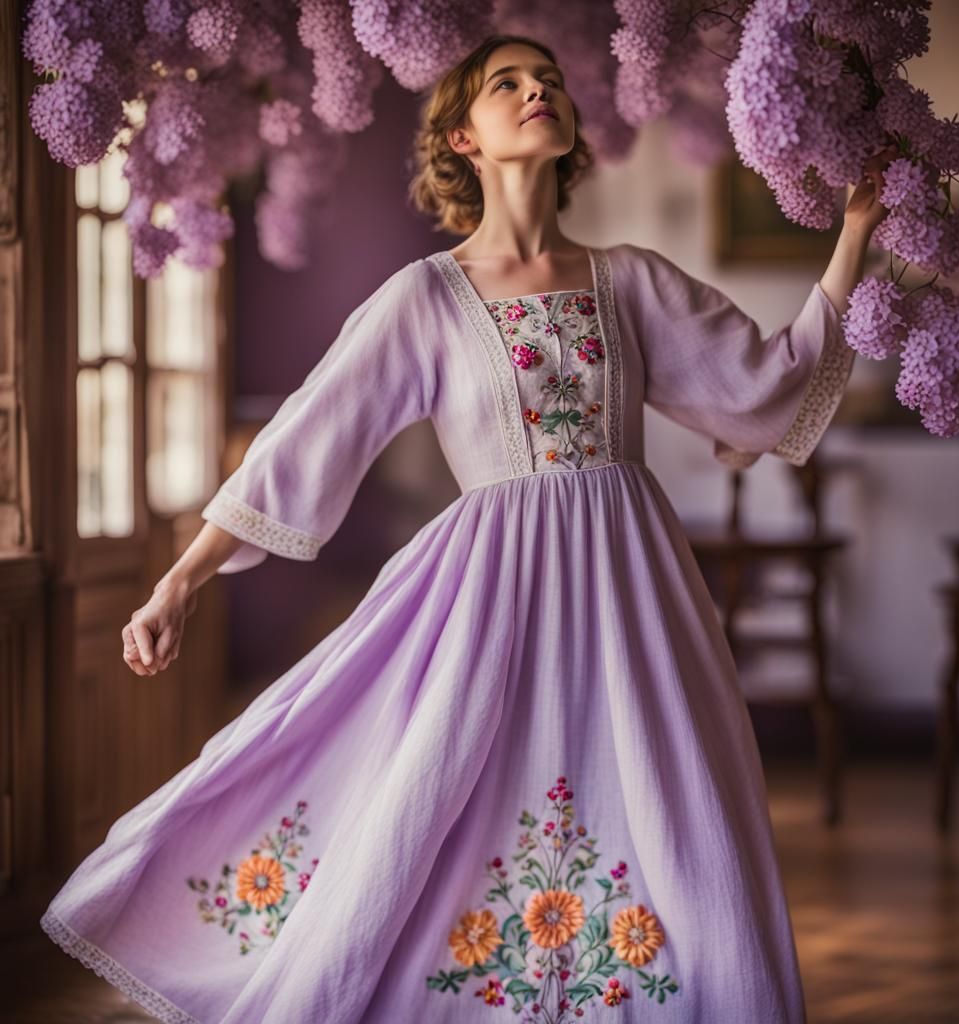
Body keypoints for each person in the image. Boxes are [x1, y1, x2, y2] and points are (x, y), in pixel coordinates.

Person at [40, 32, 896, 1024]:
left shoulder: (629, 278)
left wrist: (854, 232)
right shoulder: (425, 298)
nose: (538, 89)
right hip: (492, 600)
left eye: (550, 80)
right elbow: (301, 443)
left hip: (635, 600)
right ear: (463, 138)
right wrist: (178, 580)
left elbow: (763, 387)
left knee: (673, 811)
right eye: (508, 83)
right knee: (436, 799)